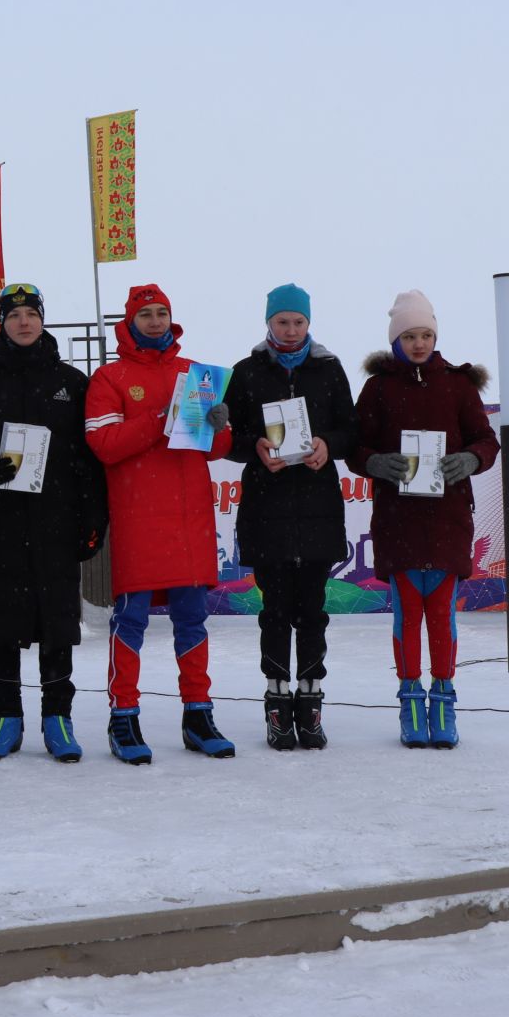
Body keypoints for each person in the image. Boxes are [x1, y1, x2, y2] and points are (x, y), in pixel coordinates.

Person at [0, 285, 107, 763]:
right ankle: (6, 718)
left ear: (42, 320)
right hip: (0, 527)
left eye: (30, 314)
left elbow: (89, 462)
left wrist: (92, 521)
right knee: (1, 624)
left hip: (57, 525)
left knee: (57, 625)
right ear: (1, 323)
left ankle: (58, 718)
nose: (23, 322)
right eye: (13, 315)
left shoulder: (73, 383)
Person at [85, 283, 236, 764]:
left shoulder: (194, 373)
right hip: (138, 518)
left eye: (162, 313)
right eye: (146, 314)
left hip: (190, 517)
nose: (155, 321)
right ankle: (123, 716)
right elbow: (104, 445)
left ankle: (198, 713)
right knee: (130, 620)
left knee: (192, 620)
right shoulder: (108, 378)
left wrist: (220, 423)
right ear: (129, 322)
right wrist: (160, 418)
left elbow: (216, 448)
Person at [350, 290, 499, 749]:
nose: (419, 343)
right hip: (399, 521)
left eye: (427, 335)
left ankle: (444, 699)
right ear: (396, 339)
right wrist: (374, 463)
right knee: (406, 616)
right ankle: (410, 698)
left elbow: (486, 440)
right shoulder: (378, 387)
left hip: (449, 519)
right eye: (410, 335)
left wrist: (471, 460)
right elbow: (355, 446)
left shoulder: (459, 384)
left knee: (443, 618)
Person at [224, 284, 356, 751]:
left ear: (308, 324)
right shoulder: (246, 372)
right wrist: (256, 448)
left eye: (298, 322)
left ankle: (311, 699)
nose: (291, 329)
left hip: (318, 510)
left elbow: (350, 430)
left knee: (313, 613)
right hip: (267, 510)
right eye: (283, 321)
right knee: (275, 612)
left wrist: (327, 445)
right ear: (268, 323)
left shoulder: (329, 368)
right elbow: (231, 436)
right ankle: (277, 703)